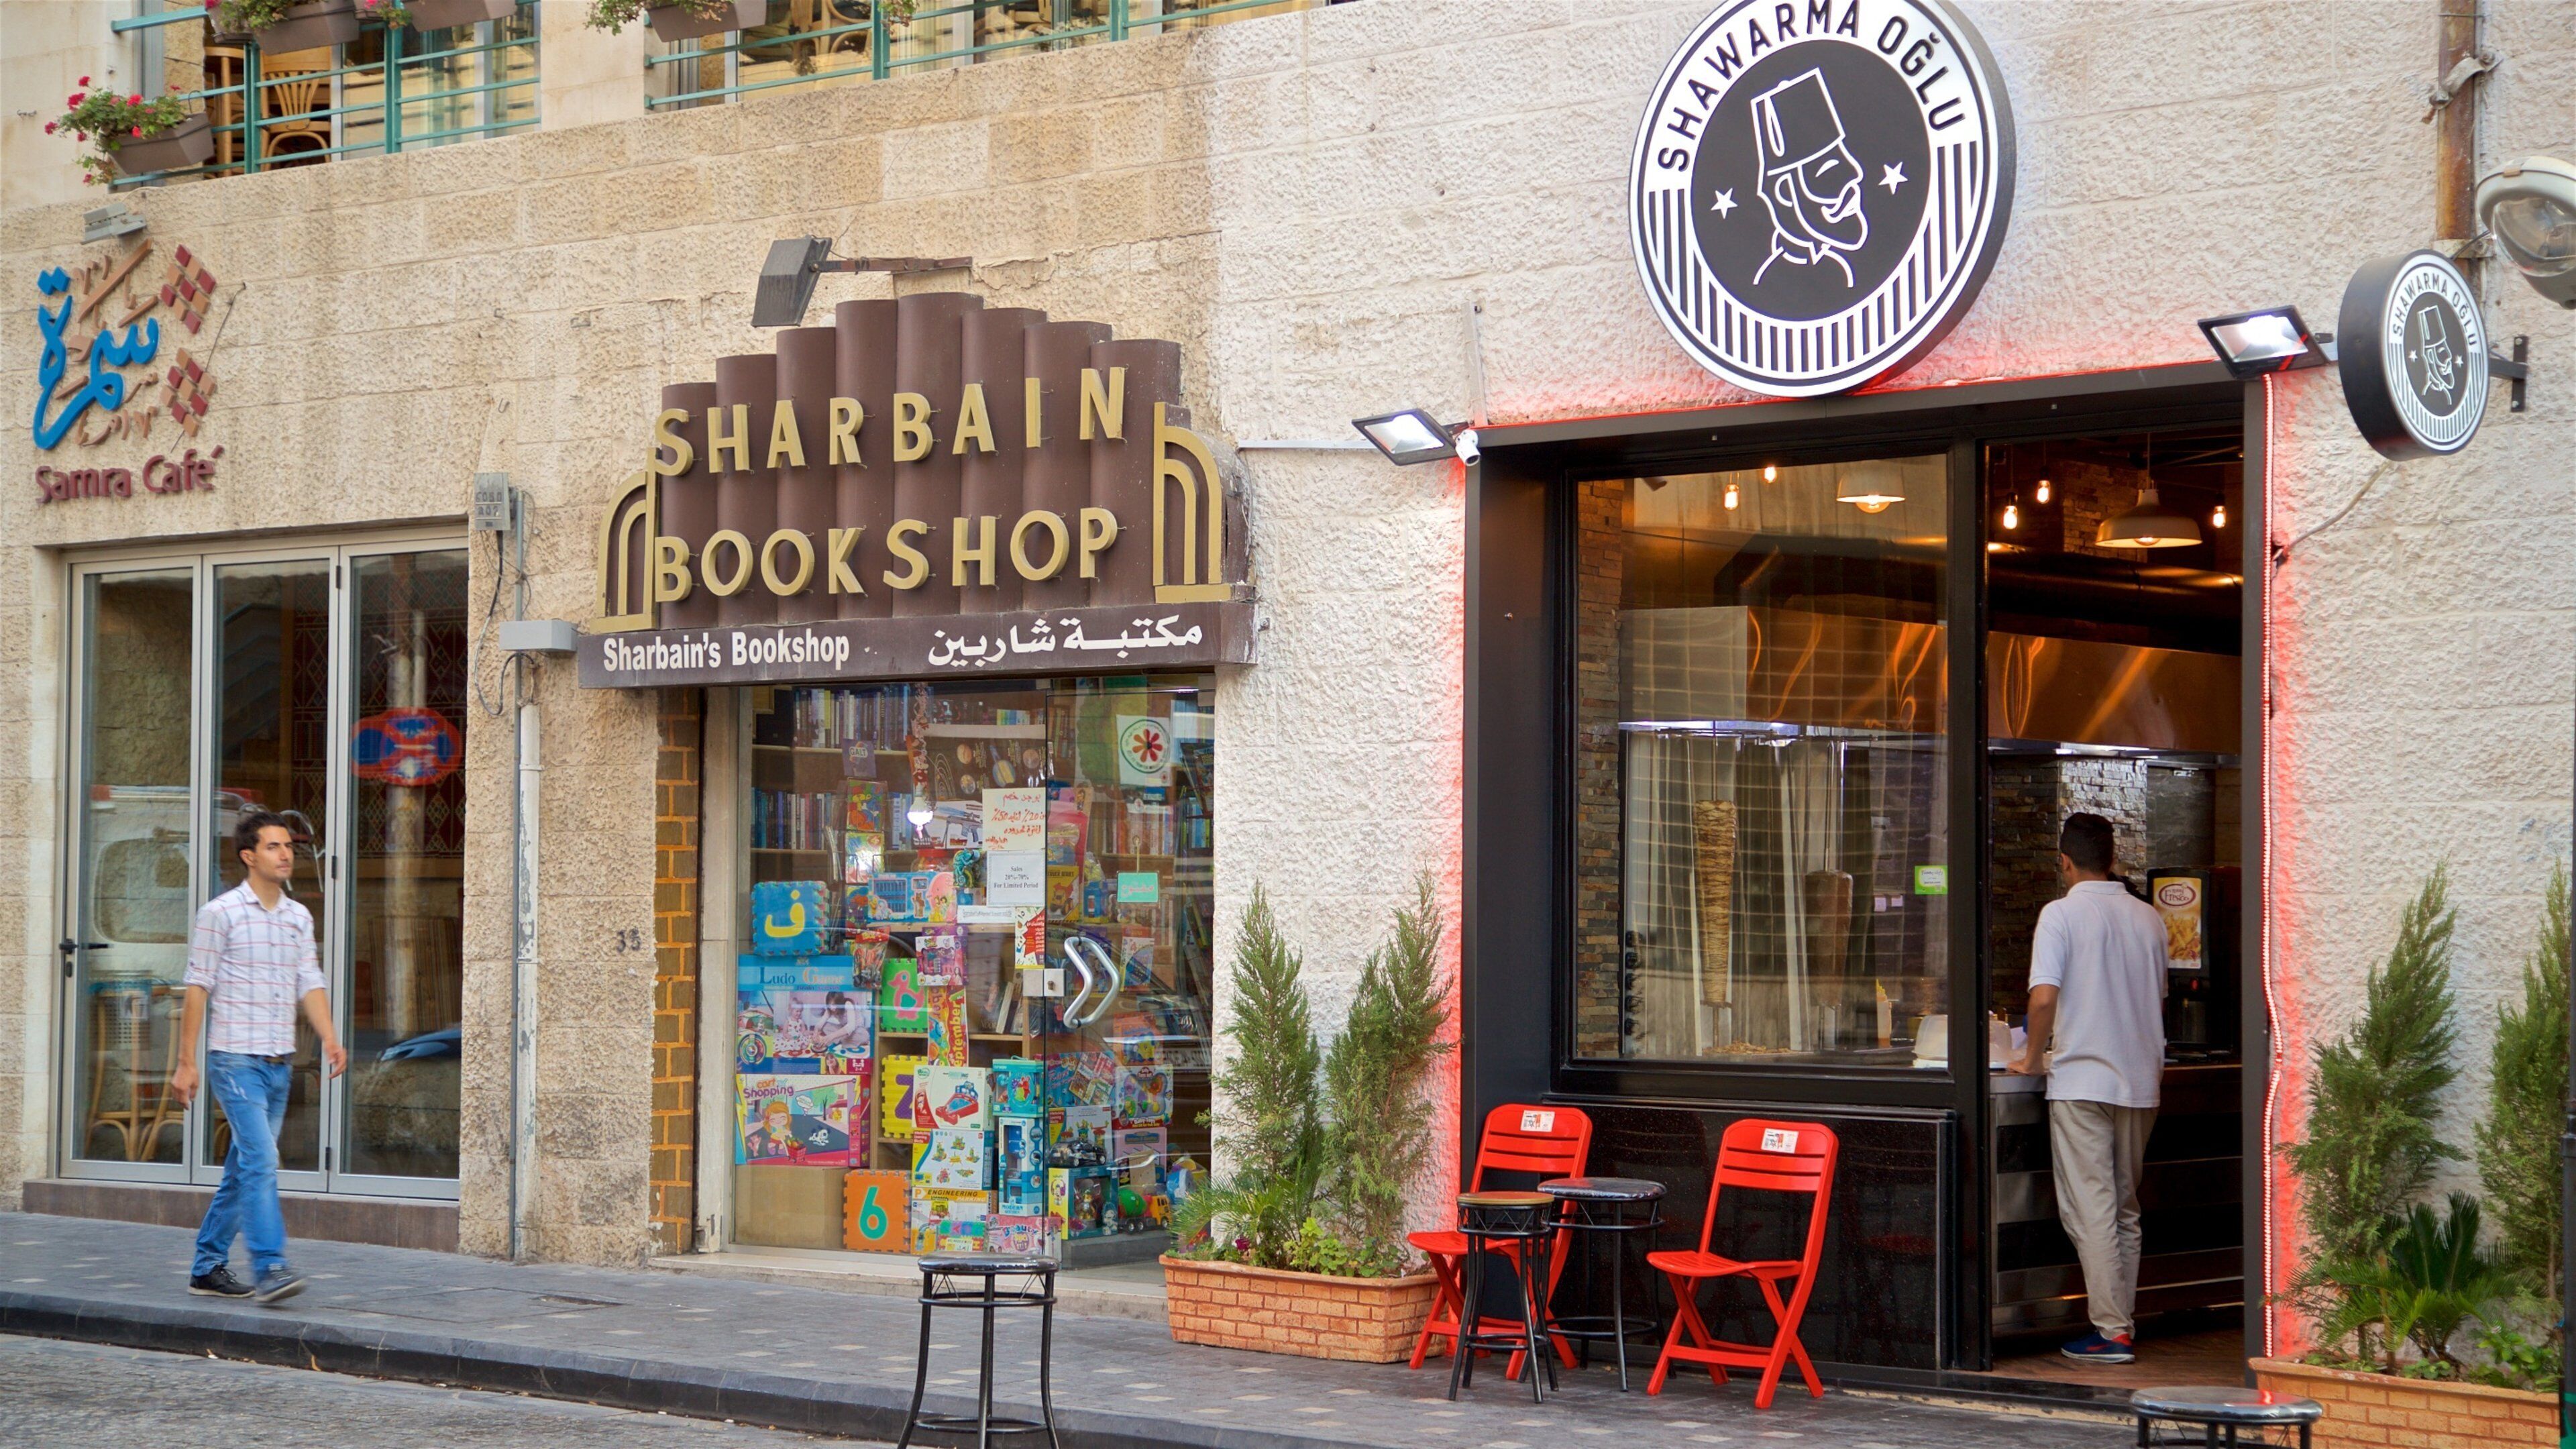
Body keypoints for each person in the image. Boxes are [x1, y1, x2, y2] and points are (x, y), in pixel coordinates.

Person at [169, 811, 347, 1303]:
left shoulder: (298, 917)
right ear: (249, 856)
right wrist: (187, 1063)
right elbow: (197, 989)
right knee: (262, 1161)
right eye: (273, 846)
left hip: (279, 1062)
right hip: (235, 1060)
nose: (286, 853)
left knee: (245, 1165)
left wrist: (330, 1038)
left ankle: (207, 1266)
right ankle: (270, 1267)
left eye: (288, 845)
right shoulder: (220, 913)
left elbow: (309, 982)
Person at [2009, 812, 2167, 1364]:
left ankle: (2111, 1332)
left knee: (2091, 1209)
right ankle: (2120, 1325)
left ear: (2065, 863)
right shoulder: (2150, 920)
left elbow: (2044, 999)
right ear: (2115, 860)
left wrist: (2031, 1057)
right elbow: (2155, 998)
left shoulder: (2060, 914)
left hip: (2082, 1079)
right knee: (2124, 1208)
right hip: (2141, 1080)